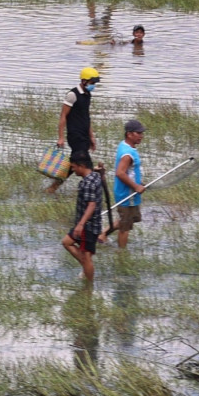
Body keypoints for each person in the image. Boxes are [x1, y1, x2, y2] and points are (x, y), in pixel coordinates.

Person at [48, 67, 98, 192]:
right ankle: (91, 187)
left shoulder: (87, 94)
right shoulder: (72, 95)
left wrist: (91, 136)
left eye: (94, 83)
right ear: (84, 81)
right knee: (85, 162)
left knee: (74, 163)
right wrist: (61, 137)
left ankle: (53, 187)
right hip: (75, 136)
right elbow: (63, 116)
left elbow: (86, 116)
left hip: (84, 135)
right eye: (92, 83)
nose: (93, 86)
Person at [62, 157, 107, 281]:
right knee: (67, 242)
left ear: (81, 165)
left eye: (74, 167)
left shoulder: (88, 183)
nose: (73, 169)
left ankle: (88, 287)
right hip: (90, 225)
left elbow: (91, 205)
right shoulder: (94, 176)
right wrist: (100, 171)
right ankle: (87, 267)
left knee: (86, 258)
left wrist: (80, 224)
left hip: (88, 226)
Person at [113, 118, 144, 248]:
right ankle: (122, 255)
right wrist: (136, 186)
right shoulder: (127, 154)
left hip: (131, 193)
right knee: (125, 227)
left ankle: (103, 233)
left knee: (132, 219)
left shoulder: (125, 145)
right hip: (127, 195)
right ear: (129, 134)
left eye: (142, 133)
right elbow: (120, 173)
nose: (141, 136)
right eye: (138, 133)